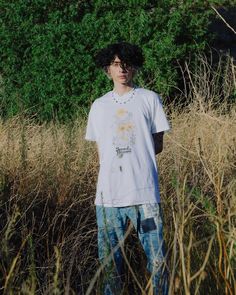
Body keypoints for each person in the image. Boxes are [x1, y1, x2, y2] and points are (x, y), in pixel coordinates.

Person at [85, 42, 170, 295]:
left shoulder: (149, 98)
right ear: (107, 70)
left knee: (157, 260)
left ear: (134, 67)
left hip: (145, 195)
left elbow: (157, 144)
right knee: (110, 265)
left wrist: (136, 155)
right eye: (115, 64)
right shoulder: (98, 106)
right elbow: (100, 150)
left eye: (126, 64)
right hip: (108, 198)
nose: (122, 69)